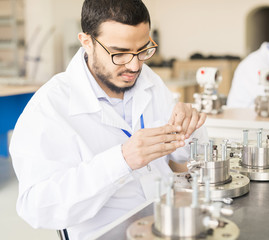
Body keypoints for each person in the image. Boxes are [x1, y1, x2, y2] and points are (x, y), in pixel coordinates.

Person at [9, 0, 207, 239]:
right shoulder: (50, 108)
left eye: (143, 50)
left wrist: (188, 131)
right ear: (87, 42)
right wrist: (121, 160)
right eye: (119, 53)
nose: (134, 65)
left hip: (167, 222)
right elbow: (38, 208)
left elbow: (182, 158)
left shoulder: (148, 81)